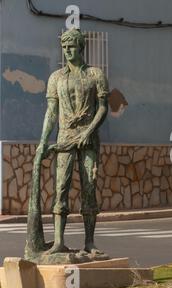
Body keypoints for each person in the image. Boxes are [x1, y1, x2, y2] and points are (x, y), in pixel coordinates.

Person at [36, 28, 109, 255]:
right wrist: (42, 141)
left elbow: (103, 108)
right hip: (65, 137)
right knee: (61, 188)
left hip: (89, 139)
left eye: (72, 46)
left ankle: (89, 242)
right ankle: (58, 241)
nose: (67, 50)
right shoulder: (56, 78)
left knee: (89, 187)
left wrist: (89, 130)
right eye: (64, 47)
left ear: (81, 47)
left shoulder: (95, 75)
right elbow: (51, 113)